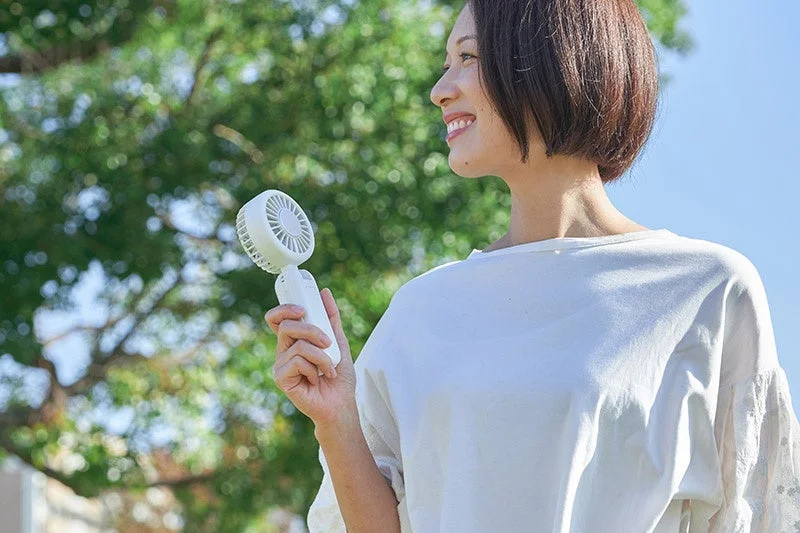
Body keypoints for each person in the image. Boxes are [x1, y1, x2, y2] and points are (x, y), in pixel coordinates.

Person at [264, 1, 800, 531]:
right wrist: (336, 419)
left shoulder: (710, 291)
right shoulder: (420, 309)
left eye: (468, 57)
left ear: (551, 56)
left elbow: (759, 517)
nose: (440, 89)